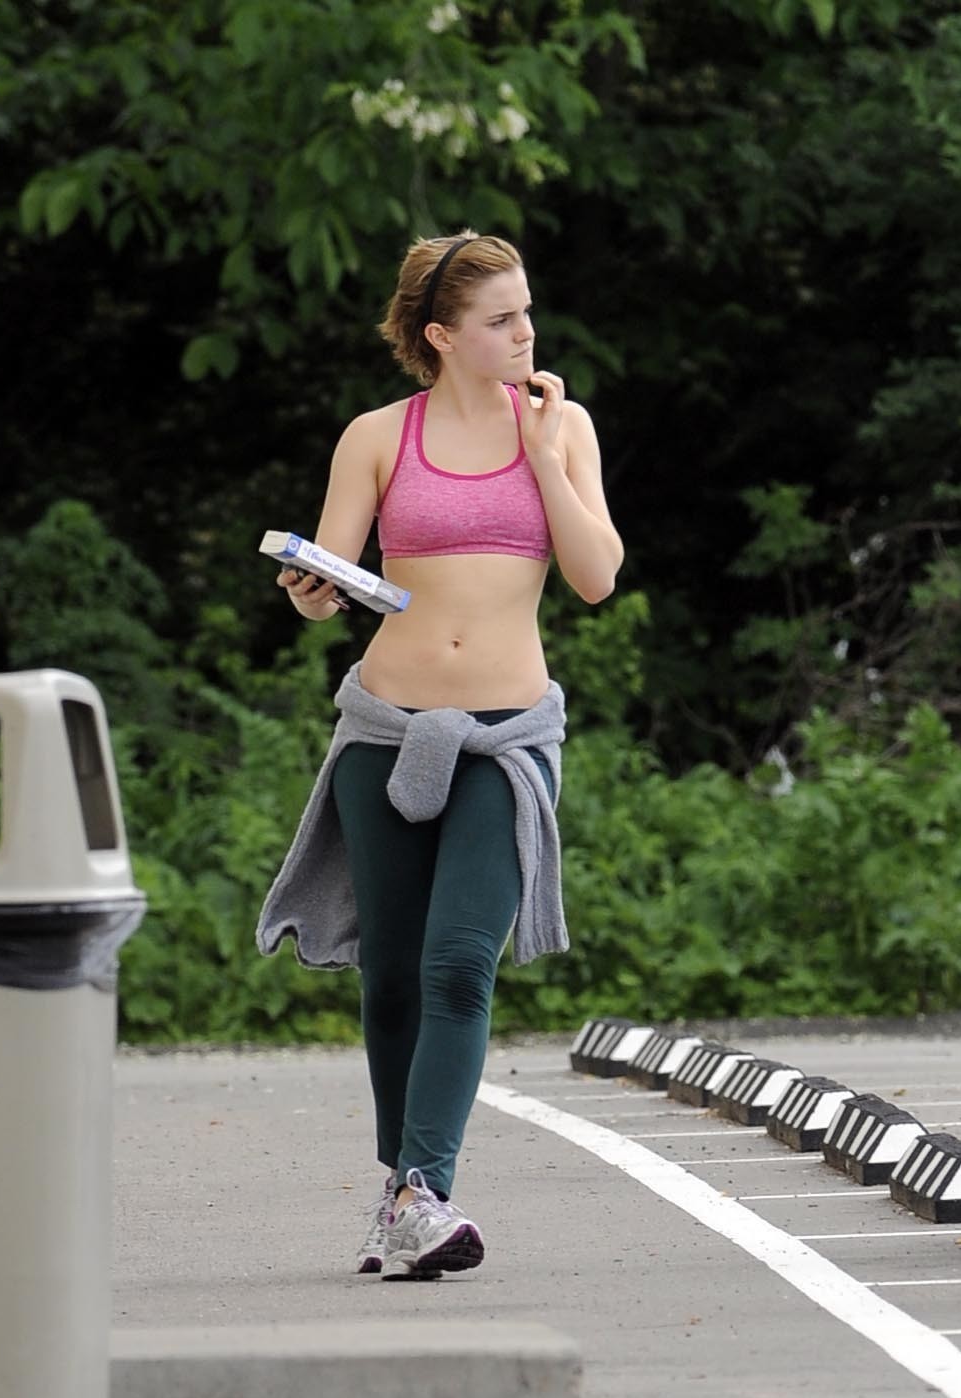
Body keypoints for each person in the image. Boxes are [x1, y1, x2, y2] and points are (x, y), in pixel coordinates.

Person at [256, 230, 623, 1280]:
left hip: (506, 738)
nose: (526, 332)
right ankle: (399, 1193)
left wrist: (544, 456)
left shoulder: (563, 426)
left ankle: (424, 1189)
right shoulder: (378, 436)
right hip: (387, 728)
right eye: (501, 319)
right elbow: (331, 578)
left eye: (526, 311)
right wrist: (310, 592)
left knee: (460, 962)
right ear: (442, 335)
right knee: (391, 976)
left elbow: (596, 575)